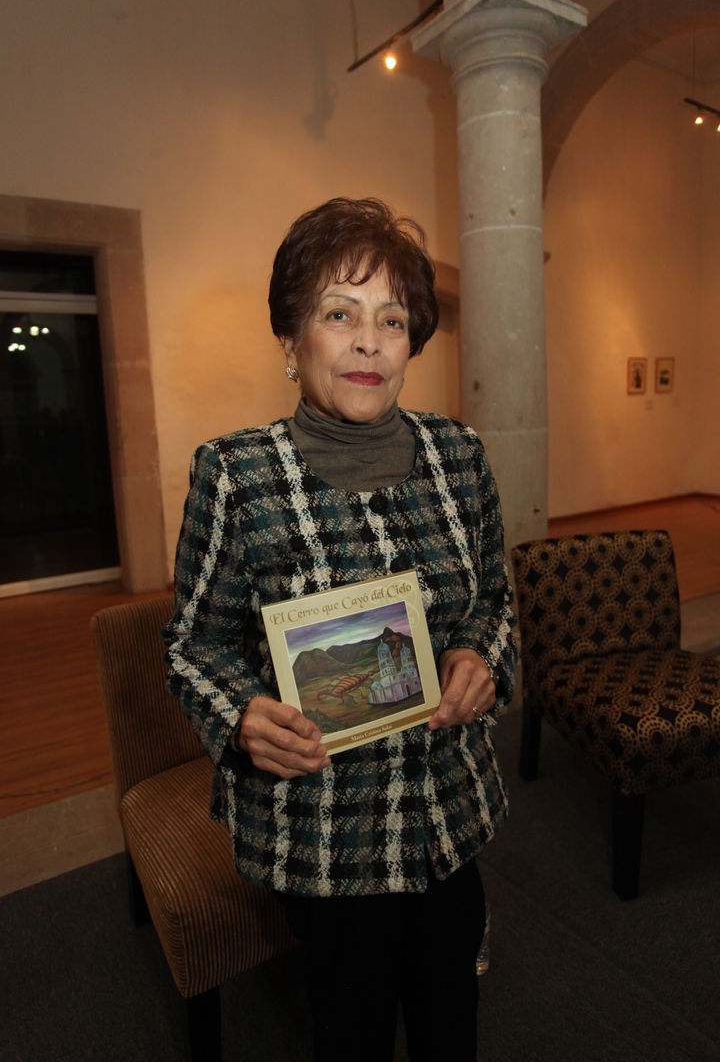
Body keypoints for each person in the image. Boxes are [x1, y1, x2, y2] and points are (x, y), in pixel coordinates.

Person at [164, 197, 517, 1062]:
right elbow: (193, 644)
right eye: (339, 314)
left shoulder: (459, 456)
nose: (369, 342)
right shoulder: (237, 474)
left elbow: (495, 601)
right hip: (328, 833)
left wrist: (482, 658)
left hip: (447, 816)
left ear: (412, 342)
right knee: (349, 1033)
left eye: (391, 320)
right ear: (292, 341)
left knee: (450, 1026)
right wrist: (242, 716)